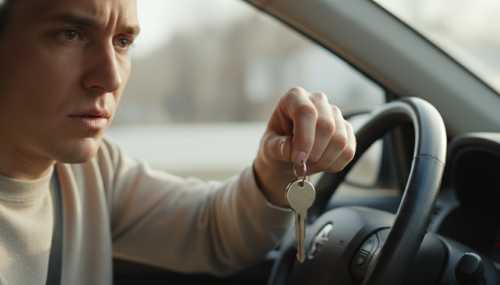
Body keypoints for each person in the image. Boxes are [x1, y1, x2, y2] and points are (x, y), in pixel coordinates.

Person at [0, 0, 356, 284]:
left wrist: (275, 165)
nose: (109, 77)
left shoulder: (91, 173)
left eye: (123, 41)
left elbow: (214, 230)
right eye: (71, 34)